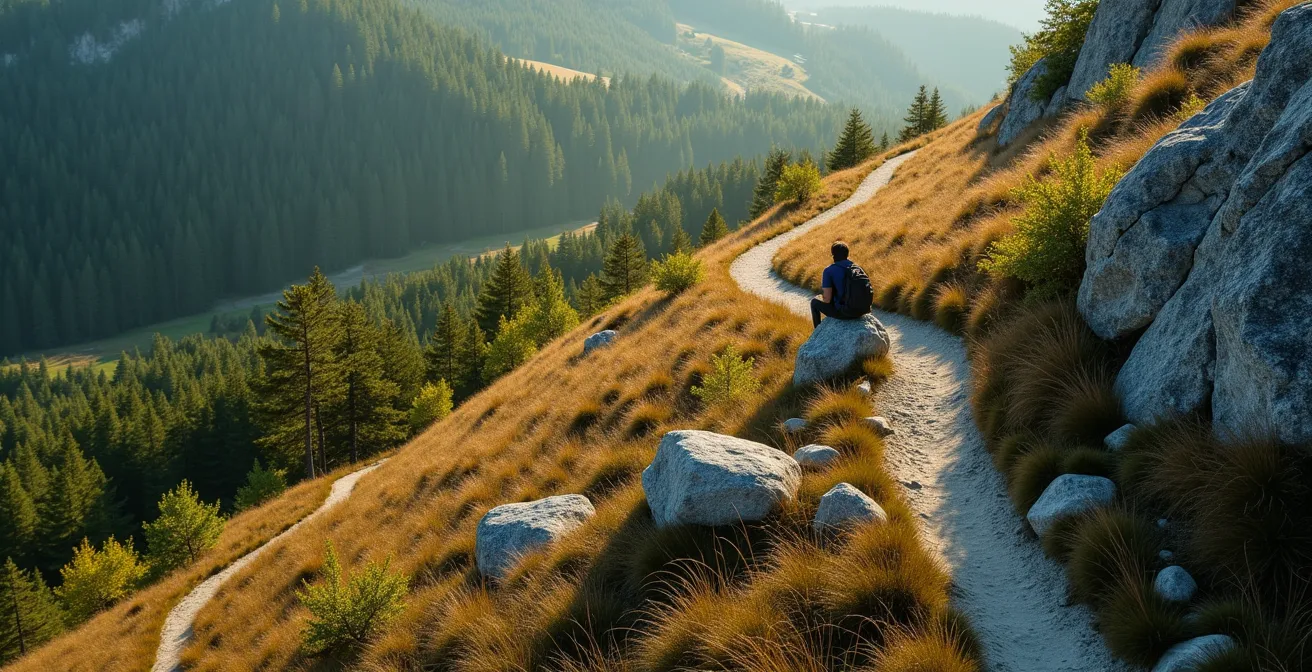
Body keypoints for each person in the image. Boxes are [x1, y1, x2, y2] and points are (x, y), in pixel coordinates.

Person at [810, 241, 872, 327]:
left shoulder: (829, 270)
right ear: (847, 254)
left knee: (814, 302)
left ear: (833, 255)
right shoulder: (857, 268)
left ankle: (816, 333)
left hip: (845, 312)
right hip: (863, 310)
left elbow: (827, 299)